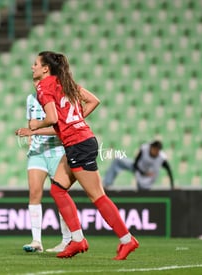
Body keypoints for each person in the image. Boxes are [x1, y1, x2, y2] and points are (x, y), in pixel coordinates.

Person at [28, 51, 139, 260]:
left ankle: (127, 240)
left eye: (35, 64)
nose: (32, 67)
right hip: (78, 142)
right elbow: (93, 101)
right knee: (57, 189)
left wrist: (36, 124)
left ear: (45, 68)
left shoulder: (43, 86)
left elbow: (51, 117)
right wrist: (76, 120)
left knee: (97, 196)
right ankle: (78, 240)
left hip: (79, 144)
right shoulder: (64, 83)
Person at [15, 79, 71, 253]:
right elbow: (31, 124)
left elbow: (60, 128)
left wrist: (32, 131)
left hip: (57, 152)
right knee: (34, 193)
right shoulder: (30, 99)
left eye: (39, 79)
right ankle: (36, 241)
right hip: (37, 153)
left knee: (60, 195)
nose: (36, 83)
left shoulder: (58, 99)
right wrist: (30, 138)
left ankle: (67, 240)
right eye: (34, 80)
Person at [104, 140, 174, 190]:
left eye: (157, 150)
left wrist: (172, 186)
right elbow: (135, 164)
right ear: (151, 147)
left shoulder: (161, 158)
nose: (155, 151)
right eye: (154, 149)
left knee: (142, 190)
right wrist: (142, 172)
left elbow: (169, 170)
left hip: (147, 178)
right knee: (118, 161)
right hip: (138, 168)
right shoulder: (145, 149)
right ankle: (106, 184)